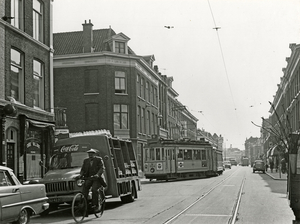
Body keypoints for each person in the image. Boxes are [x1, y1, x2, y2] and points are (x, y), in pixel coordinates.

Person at [79, 149, 106, 215]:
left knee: (94, 189)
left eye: (92, 153)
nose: (90, 155)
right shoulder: (86, 161)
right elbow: (82, 170)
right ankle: (84, 206)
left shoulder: (98, 159)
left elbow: (102, 168)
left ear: (95, 154)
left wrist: (98, 175)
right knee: (84, 189)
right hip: (89, 178)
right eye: (89, 154)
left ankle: (95, 205)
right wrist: (81, 175)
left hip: (97, 179)